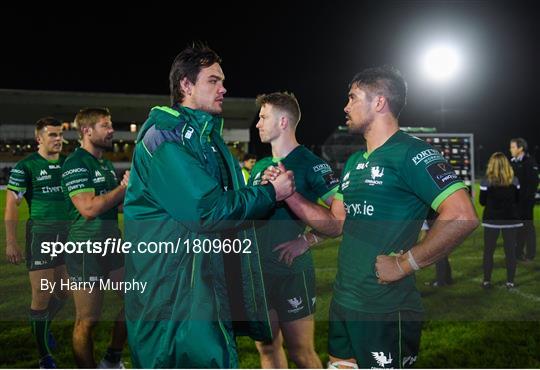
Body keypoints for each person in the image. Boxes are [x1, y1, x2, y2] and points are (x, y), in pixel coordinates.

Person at [266, 65, 479, 368]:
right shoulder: (354, 161)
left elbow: (462, 214)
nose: (345, 106)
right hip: (344, 302)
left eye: (352, 98)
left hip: (385, 308)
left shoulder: (411, 153)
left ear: (379, 102)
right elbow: (336, 221)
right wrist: (292, 199)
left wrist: (406, 262)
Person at [122, 44, 295, 368]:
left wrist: (261, 186)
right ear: (186, 85)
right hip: (172, 298)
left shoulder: (207, 139)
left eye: (222, 80)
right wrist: (271, 194)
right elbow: (206, 210)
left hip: (202, 287)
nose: (224, 88)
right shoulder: (165, 136)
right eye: (213, 81)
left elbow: (225, 198)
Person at [250, 92, 338, 368]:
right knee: (267, 347)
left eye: (264, 117)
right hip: (257, 272)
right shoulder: (261, 166)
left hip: (290, 272)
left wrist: (307, 240)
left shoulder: (312, 164)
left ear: (283, 121)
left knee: (301, 352)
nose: (258, 124)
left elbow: (341, 218)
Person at [61, 108, 129, 368]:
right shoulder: (76, 162)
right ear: (87, 131)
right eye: (105, 125)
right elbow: (89, 208)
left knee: (137, 301)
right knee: (87, 320)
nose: (112, 130)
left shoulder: (105, 164)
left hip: (112, 244)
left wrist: (132, 194)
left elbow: (112, 204)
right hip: (85, 249)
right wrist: (123, 188)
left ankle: (112, 358)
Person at [5, 117, 69, 369]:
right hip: (41, 237)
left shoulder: (69, 164)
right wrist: (11, 241)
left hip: (67, 239)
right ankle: (45, 359)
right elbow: (12, 204)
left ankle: (42, 326)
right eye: (52, 135)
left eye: (60, 134)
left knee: (64, 293)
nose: (58, 139)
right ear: (38, 139)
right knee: (41, 295)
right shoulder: (26, 166)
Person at [480, 152, 522, 289]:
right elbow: (517, 200)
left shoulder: (486, 180)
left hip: (492, 220)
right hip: (511, 220)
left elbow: (482, 202)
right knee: (510, 252)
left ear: (492, 164)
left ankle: (486, 281)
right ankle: (510, 282)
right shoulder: (514, 180)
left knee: (488, 251)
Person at [509, 138, 539, 261]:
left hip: (525, 203)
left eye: (513, 147)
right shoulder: (512, 162)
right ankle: (518, 253)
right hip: (515, 203)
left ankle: (530, 254)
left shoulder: (530, 162)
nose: (510, 149)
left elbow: (533, 184)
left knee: (528, 227)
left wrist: (523, 200)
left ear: (520, 148)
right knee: (517, 228)